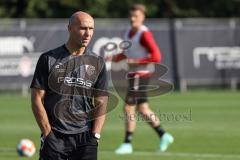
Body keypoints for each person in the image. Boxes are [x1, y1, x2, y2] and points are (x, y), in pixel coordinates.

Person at [30, 11, 108, 160]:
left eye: (91, 29)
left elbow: (101, 101)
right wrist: (48, 134)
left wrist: (95, 135)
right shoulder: (48, 59)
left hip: (85, 139)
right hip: (55, 136)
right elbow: (36, 99)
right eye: (83, 28)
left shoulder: (98, 62)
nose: (88, 34)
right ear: (69, 28)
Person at [109, 4, 174, 154]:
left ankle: (127, 143)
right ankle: (164, 135)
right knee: (143, 109)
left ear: (143, 17)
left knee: (128, 108)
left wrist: (135, 62)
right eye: (131, 16)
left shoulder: (144, 34)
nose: (133, 19)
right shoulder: (127, 32)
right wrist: (116, 57)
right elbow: (126, 54)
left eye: (136, 16)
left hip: (142, 74)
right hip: (134, 75)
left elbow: (156, 56)